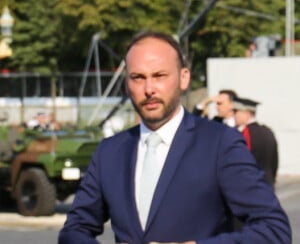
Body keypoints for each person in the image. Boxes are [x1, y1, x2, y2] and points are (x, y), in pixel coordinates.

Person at [58, 31, 291, 244]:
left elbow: (274, 230)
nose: (149, 89)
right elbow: (74, 230)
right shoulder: (109, 152)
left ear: (183, 78)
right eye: (138, 77)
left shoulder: (220, 143)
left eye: (159, 75)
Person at [233, 97, 279, 186]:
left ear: (246, 113)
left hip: (250, 184)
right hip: (268, 182)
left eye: (236, 112)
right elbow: (275, 160)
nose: (234, 116)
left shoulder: (244, 134)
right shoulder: (267, 131)